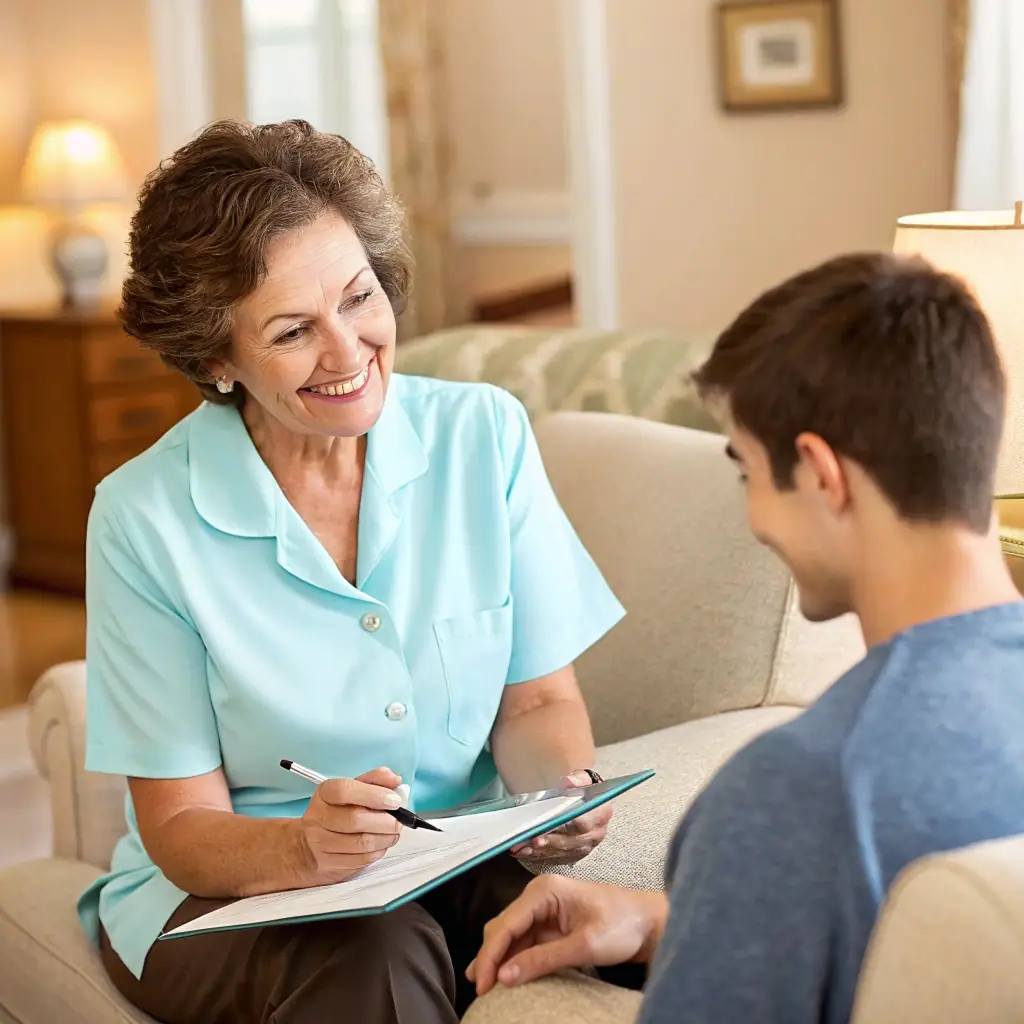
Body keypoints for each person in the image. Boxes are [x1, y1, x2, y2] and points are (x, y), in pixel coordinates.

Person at [78, 119, 624, 1024]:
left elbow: (535, 704)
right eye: (293, 331)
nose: (349, 351)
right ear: (217, 361)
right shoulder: (143, 518)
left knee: (585, 931)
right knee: (377, 949)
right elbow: (178, 828)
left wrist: (555, 802)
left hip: (446, 854)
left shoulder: (483, 436)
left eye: (359, 297)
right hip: (222, 898)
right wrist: (302, 850)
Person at [468, 252, 1024, 1023]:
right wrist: (674, 924)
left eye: (748, 473)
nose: (754, 519)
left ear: (822, 475)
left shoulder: (801, 791)